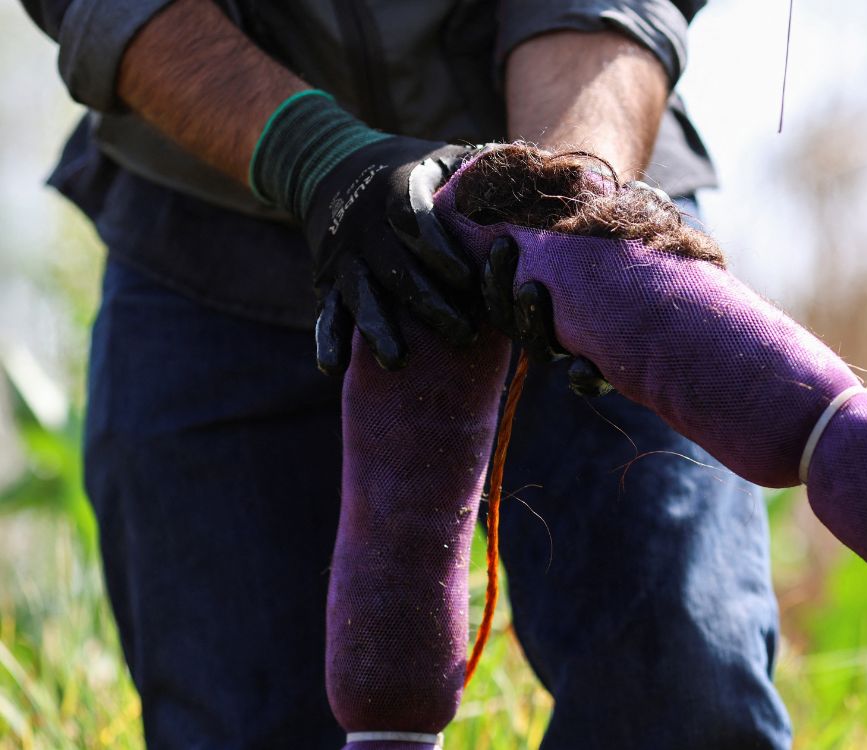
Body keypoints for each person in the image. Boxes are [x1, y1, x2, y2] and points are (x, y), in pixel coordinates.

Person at [18, 1, 792, 747]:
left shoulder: (578, 210)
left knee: (686, 694)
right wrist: (315, 157)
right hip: (207, 243)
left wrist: (568, 204)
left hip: (579, 202)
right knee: (239, 721)